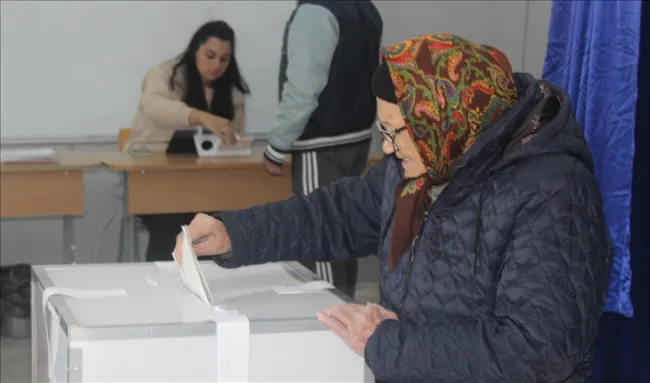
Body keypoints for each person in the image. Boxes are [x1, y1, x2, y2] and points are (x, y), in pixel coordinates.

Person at [175, 34, 612, 382]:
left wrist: (387, 344)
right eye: (382, 129)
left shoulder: (553, 192)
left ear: (443, 119)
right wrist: (235, 232)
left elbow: (538, 351)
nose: (386, 145)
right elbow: (334, 216)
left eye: (397, 131)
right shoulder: (423, 163)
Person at [262, 0, 383, 298]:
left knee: (320, 237)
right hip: (356, 138)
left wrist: (277, 145)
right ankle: (341, 316)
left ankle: (328, 320)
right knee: (342, 231)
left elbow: (303, 86)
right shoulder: (365, 8)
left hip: (322, 142)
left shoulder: (315, 11)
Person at [124, 20, 250, 262]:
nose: (216, 65)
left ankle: (209, 284)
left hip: (208, 183)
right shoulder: (164, 75)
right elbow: (154, 107)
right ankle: (163, 285)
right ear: (195, 50)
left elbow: (233, 138)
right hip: (155, 178)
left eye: (224, 59)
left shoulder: (231, 90)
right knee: (172, 222)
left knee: (220, 222)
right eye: (210, 55)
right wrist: (199, 117)